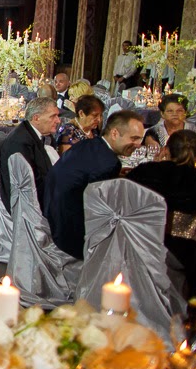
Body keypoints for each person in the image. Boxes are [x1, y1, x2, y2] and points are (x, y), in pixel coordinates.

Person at [127, 129, 196, 291]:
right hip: (192, 257)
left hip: (143, 247)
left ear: (166, 150)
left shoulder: (145, 173)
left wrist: (156, 164)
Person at [43, 110, 145, 259]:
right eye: (134, 138)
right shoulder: (110, 163)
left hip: (51, 217)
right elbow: (102, 211)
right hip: (72, 236)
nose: (138, 144)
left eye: (140, 139)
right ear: (114, 133)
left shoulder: (87, 144)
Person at [0, 96, 60, 212]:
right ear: (36, 118)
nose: (58, 120)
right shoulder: (21, 142)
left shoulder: (31, 134)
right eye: (53, 116)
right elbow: (29, 184)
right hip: (25, 206)